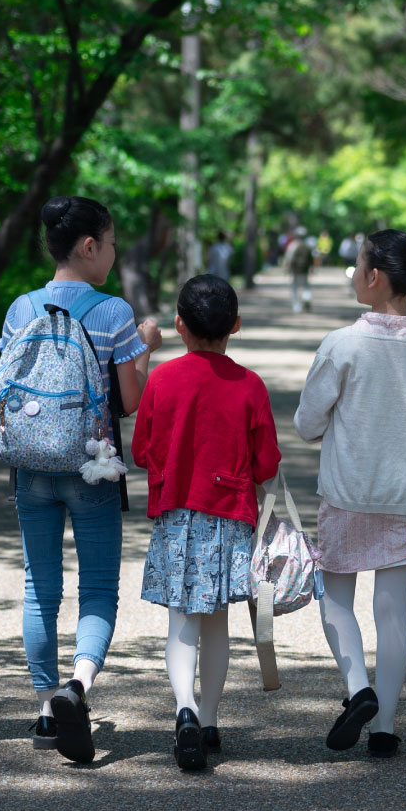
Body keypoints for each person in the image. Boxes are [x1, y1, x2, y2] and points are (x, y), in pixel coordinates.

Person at [294, 230, 406, 758]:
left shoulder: (342, 345)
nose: (352, 273)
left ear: (373, 278)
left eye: (356, 266)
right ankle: (385, 727)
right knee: (392, 609)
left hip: (349, 491)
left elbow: (306, 424)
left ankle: (358, 691)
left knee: (336, 600)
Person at [0, 195, 162, 761]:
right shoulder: (114, 313)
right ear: (89, 247)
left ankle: (47, 708)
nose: (114, 255)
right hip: (93, 465)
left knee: (39, 587)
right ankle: (79, 686)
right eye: (112, 243)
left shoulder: (21, 309)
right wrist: (146, 351)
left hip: (30, 466)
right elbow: (129, 401)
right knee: (96, 588)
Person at [132, 274, 281, 773]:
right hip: (229, 516)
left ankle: (184, 711)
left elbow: (140, 451)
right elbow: (266, 465)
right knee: (217, 620)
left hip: (176, 514)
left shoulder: (162, 380)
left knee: (181, 619)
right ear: (235, 325)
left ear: (178, 325)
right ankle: (211, 719)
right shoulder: (250, 385)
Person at [285, 226, 314, 313]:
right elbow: (311, 259)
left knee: (294, 288)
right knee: (306, 286)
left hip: (294, 270)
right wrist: (312, 268)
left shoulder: (293, 245)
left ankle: (296, 306)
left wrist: (287, 269)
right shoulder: (307, 246)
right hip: (305, 270)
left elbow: (289, 258)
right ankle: (306, 298)